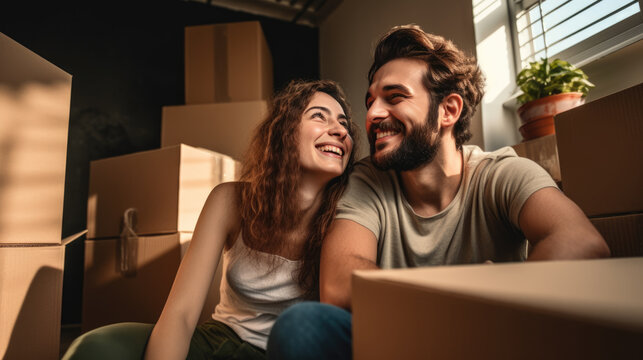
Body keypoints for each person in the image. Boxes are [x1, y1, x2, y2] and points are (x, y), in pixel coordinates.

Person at [266, 25, 610, 360]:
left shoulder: (501, 173)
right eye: (370, 101)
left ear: (449, 110)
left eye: (394, 97)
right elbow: (339, 286)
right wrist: (465, 293)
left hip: (486, 342)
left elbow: (582, 242)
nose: (372, 114)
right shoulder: (368, 179)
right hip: (399, 340)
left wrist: (500, 301)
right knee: (300, 327)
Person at [62, 79, 357, 360]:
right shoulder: (229, 200)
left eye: (344, 124)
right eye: (320, 117)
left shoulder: (351, 217)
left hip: (293, 353)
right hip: (220, 342)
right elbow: (181, 313)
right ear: (284, 132)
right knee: (96, 347)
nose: (339, 131)